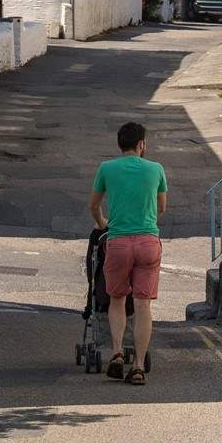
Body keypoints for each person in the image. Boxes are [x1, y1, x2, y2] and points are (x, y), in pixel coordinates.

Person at [88, 120, 166, 385]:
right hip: (147, 242)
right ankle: (139, 366)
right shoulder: (156, 169)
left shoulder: (106, 169)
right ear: (142, 144)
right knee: (143, 305)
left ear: (120, 144)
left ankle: (118, 352)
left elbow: (94, 206)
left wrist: (103, 225)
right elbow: (161, 209)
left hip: (118, 242)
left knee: (117, 300)